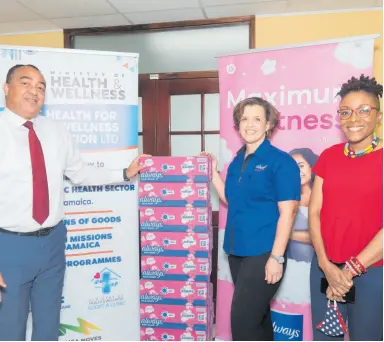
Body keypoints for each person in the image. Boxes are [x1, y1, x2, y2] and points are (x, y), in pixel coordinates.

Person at [0, 64, 146, 341]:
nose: (35, 91)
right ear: (6, 88)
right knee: (9, 329)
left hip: (52, 243)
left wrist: (124, 173)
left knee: (48, 326)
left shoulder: (56, 130)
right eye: (26, 83)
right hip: (8, 247)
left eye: (41, 87)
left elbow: (80, 172)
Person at [202, 97, 300, 341]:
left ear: (268, 124)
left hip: (264, 252)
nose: (250, 124)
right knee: (259, 320)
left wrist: (276, 257)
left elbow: (289, 213)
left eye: (257, 119)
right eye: (244, 118)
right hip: (237, 252)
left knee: (244, 325)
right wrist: (213, 172)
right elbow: (230, 198)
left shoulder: (281, 161)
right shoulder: (237, 160)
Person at [309, 75, 383, 341]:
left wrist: (347, 271)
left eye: (364, 110)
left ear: (378, 115)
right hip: (324, 267)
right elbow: (314, 213)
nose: (354, 119)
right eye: (346, 112)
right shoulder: (329, 156)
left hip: (373, 271)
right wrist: (325, 265)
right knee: (326, 338)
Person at [274, 148, 318, 305]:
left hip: (317, 265)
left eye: (300, 166)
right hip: (289, 263)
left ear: (311, 167)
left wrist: (287, 234)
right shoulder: (284, 196)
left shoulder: (322, 195)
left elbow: (320, 236)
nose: (296, 171)